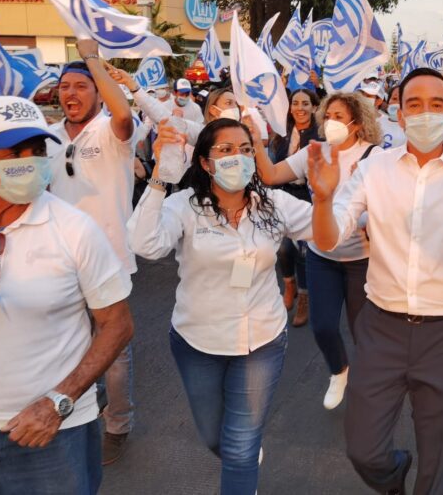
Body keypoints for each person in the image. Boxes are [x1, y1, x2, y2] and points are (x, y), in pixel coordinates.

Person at [309, 67, 443, 494]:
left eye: (436, 105)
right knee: (364, 449)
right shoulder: (374, 169)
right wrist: (323, 200)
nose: (425, 114)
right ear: (398, 115)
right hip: (380, 327)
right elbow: (329, 239)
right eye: (414, 105)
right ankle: (393, 478)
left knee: (437, 464)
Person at [127, 117, 312, 495]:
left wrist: (340, 201)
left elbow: (333, 227)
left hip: (259, 341)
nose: (238, 158)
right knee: (217, 438)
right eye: (225, 150)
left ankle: (243, 464)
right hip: (198, 342)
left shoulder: (272, 204)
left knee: (240, 446)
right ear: (206, 163)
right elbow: (146, 245)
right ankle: (241, 456)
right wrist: (160, 178)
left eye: (246, 150)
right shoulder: (184, 206)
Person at [0, 95, 133, 494]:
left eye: (38, 150)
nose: (30, 161)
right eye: (14, 151)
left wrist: (59, 401)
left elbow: (117, 324)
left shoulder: (75, 229)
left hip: (50, 438)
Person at [254, 92, 382, 409]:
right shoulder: (315, 151)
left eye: (340, 116)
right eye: (328, 115)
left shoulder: (375, 157)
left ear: (357, 123)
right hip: (321, 255)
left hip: (361, 260)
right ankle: (339, 371)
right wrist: (256, 140)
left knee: (362, 330)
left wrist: (366, 217)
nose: (331, 122)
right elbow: (270, 175)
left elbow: (387, 203)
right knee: (323, 325)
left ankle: (369, 384)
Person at [46, 41, 138, 465]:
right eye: (65, 86)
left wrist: (92, 59)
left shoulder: (111, 128)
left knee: (114, 351)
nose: (72, 93)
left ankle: (117, 424)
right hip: (58, 261)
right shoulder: (45, 137)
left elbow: (123, 113)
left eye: (81, 85)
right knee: (66, 343)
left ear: (98, 92)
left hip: (108, 258)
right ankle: (76, 408)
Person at [268, 88, 320, 324]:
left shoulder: (319, 135)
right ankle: (289, 285)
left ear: (314, 107)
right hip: (281, 193)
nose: (300, 108)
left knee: (303, 250)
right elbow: (274, 164)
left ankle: (305, 298)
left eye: (305, 103)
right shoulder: (282, 133)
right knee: (282, 248)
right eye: (295, 103)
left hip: (306, 196)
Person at [379, 85, 406, 149]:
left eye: (402, 99)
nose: (397, 103)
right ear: (388, 102)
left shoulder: (414, 129)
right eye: (394, 99)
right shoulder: (377, 122)